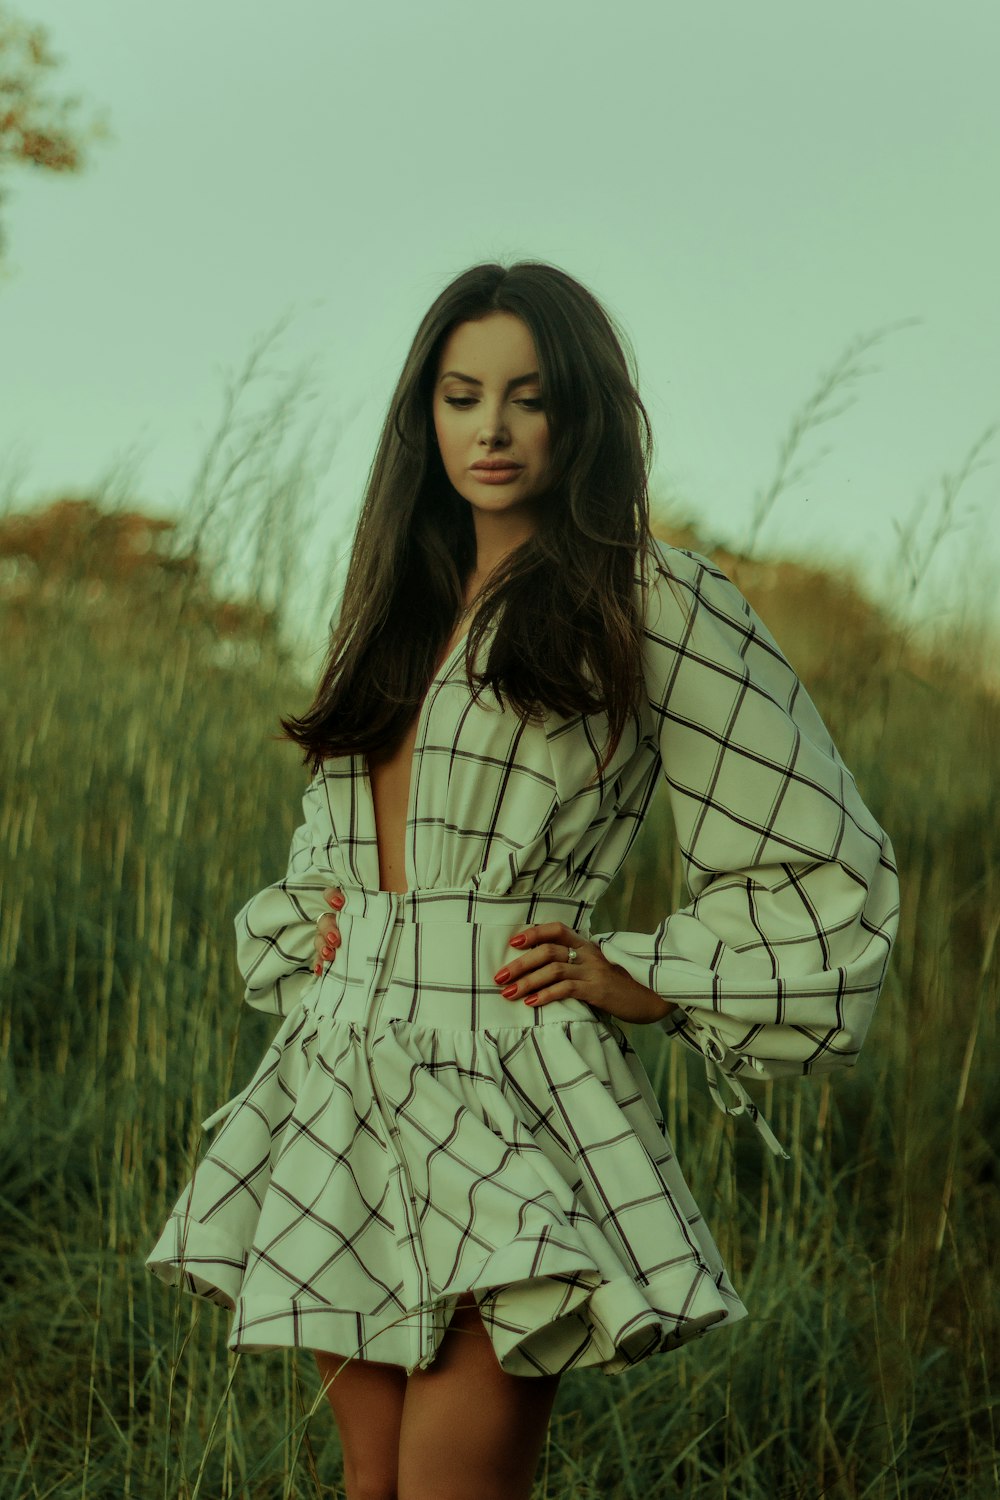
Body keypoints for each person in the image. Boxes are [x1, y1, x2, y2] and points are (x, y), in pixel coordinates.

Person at [147, 260, 899, 1500]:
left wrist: (646, 975)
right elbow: (336, 820)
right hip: (348, 1066)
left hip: (509, 1072)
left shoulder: (655, 596)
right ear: (423, 415)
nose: (490, 428)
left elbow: (823, 847)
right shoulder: (396, 596)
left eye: (528, 397)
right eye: (459, 395)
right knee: (372, 1486)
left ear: (582, 413)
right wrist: (325, 920)